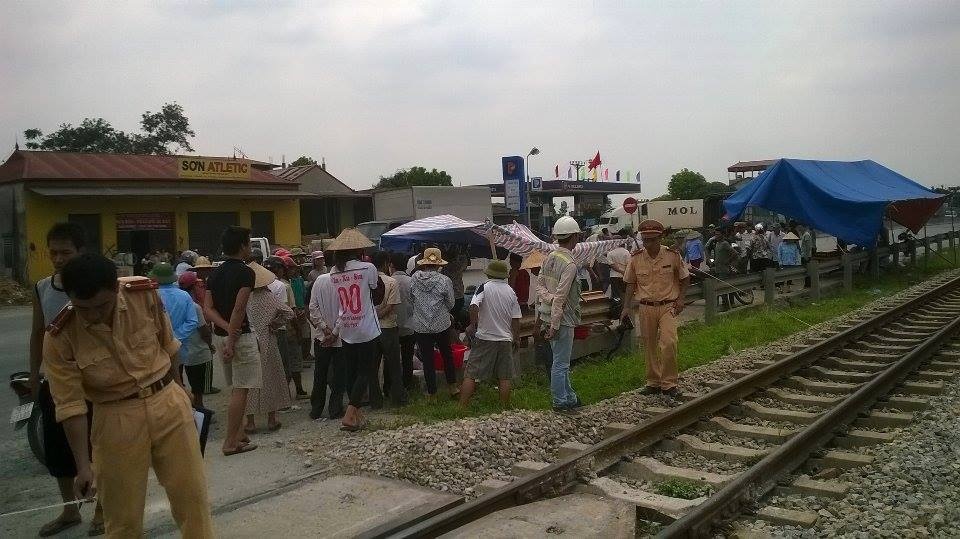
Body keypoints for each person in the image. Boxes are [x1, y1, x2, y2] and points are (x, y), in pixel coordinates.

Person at [44, 254, 214, 537]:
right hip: (114, 417)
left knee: (192, 499)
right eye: (84, 308)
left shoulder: (142, 293)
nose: (94, 315)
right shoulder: (60, 336)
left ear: (116, 289)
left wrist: (180, 392)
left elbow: (168, 345)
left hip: (167, 401)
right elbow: (71, 406)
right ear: (71, 297)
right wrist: (83, 466)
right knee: (122, 517)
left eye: (102, 305)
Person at [28, 223, 105, 537]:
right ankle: (70, 510)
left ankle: (102, 510)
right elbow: (37, 333)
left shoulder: (98, 285)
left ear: (80, 252)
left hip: (94, 381)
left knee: (97, 446)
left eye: (66, 252)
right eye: (54, 252)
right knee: (58, 449)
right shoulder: (43, 287)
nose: (58, 258)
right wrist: (35, 376)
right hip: (56, 380)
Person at [204, 226, 261, 456]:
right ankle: (230, 442)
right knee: (242, 389)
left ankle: (238, 434)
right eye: (248, 243)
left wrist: (226, 331)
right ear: (242, 246)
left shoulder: (213, 274)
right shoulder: (246, 273)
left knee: (235, 388)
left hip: (221, 334)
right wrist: (232, 337)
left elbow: (207, 309)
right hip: (240, 338)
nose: (250, 248)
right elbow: (239, 309)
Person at [620, 219, 690, 399]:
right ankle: (653, 382)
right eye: (645, 240)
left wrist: (681, 299)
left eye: (652, 240)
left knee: (669, 342)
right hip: (646, 307)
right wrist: (626, 307)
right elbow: (629, 284)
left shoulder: (672, 255)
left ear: (660, 239)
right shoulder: (635, 258)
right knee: (649, 345)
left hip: (668, 305)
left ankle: (669, 383)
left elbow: (685, 277)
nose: (648, 244)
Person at [327, 229, 382, 431]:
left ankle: (355, 415)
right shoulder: (368, 268)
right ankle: (351, 414)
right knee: (366, 370)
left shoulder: (334, 272)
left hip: (347, 327)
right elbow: (375, 291)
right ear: (359, 249)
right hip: (366, 326)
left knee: (352, 372)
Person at [536, 216, 584, 413]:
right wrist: (555, 324)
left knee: (559, 360)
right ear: (573, 237)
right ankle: (560, 401)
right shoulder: (570, 263)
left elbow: (539, 287)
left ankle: (569, 396)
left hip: (548, 316)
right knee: (561, 363)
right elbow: (562, 297)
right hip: (561, 320)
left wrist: (550, 298)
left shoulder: (549, 258)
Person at [461, 260, 521, 408]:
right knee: (504, 376)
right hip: (505, 339)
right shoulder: (510, 291)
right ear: (504, 276)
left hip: (485, 338)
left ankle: (462, 408)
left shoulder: (483, 287)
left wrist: (473, 324)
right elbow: (516, 318)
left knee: (471, 374)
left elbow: (474, 306)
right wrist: (516, 338)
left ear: (489, 274)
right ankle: (504, 408)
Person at [244, 261, 294, 433]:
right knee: (271, 378)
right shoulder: (270, 296)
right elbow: (289, 312)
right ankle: (271, 419)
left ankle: (250, 422)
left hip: (248, 340)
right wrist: (275, 324)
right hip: (268, 340)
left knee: (249, 381)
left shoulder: (245, 297)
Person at [411, 247, 459, 399]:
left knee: (428, 359)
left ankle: (432, 393)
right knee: (447, 356)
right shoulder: (444, 280)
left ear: (424, 263)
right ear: (439, 265)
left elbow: (412, 299)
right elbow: (451, 303)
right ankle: (453, 387)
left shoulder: (414, 278)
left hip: (421, 326)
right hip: (441, 324)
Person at [149, 260, 199, 399]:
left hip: (155, 349)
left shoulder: (150, 296)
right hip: (179, 349)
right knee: (179, 380)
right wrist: (174, 338)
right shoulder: (184, 296)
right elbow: (192, 321)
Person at [308, 251, 347, 420]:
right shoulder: (345, 282)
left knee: (320, 373)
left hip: (321, 337)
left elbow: (312, 308)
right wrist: (335, 331)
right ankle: (335, 409)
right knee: (338, 374)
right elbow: (346, 310)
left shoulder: (320, 280)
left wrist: (325, 329)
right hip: (340, 338)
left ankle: (316, 409)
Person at [373, 251, 407, 406]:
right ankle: (398, 398)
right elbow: (391, 306)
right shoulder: (391, 282)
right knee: (394, 365)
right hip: (388, 327)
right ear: (387, 263)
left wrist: (373, 317)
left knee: (372, 367)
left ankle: (375, 400)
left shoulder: (367, 282)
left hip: (372, 329)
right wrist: (380, 315)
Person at [177, 271, 215, 407]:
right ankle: (199, 413)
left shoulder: (176, 303)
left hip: (182, 352)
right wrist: (210, 345)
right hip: (198, 352)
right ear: (193, 287)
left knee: (182, 385)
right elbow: (204, 330)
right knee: (198, 390)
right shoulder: (194, 307)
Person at [389, 252, 417, 391]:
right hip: (409, 325)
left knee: (390, 359)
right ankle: (408, 384)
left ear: (391, 265)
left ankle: (389, 387)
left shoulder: (387, 281)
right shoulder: (411, 281)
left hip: (391, 326)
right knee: (407, 358)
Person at [442, 246, 469, 330]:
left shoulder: (446, 266)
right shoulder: (459, 265)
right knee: (455, 319)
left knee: (450, 320)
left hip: (450, 297)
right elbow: (465, 261)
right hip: (458, 296)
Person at [711, 227, 738, 311]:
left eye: (718, 234)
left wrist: (728, 261)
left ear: (722, 235)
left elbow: (735, 253)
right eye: (715, 234)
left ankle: (725, 305)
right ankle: (722, 305)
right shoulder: (717, 244)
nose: (716, 236)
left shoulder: (725, 243)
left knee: (723, 288)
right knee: (718, 288)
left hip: (724, 270)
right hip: (717, 269)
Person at [606, 227, 634, 301]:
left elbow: (612, 265)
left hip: (614, 276)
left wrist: (620, 271)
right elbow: (629, 264)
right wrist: (623, 272)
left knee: (616, 295)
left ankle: (617, 309)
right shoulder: (626, 252)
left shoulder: (610, 253)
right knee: (625, 293)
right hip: (625, 276)